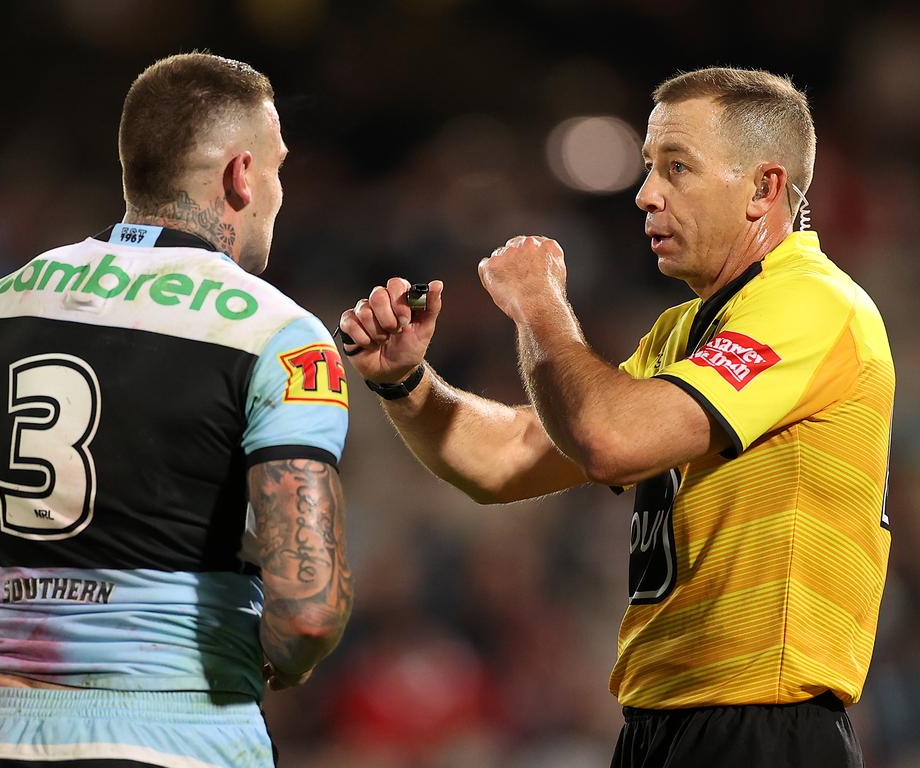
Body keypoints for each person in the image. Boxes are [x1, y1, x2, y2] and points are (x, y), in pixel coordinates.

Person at [338, 67, 893, 767]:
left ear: (763, 189)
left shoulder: (813, 303)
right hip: (665, 724)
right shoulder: (681, 333)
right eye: (648, 168)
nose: (645, 193)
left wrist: (539, 305)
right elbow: (504, 458)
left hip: (763, 725)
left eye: (676, 167)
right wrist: (405, 383)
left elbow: (609, 439)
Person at [0, 52, 353, 768]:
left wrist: (54, 636)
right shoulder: (280, 337)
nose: (278, 191)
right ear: (240, 174)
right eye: (277, 168)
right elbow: (309, 611)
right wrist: (256, 658)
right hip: (184, 737)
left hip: (1, 738)